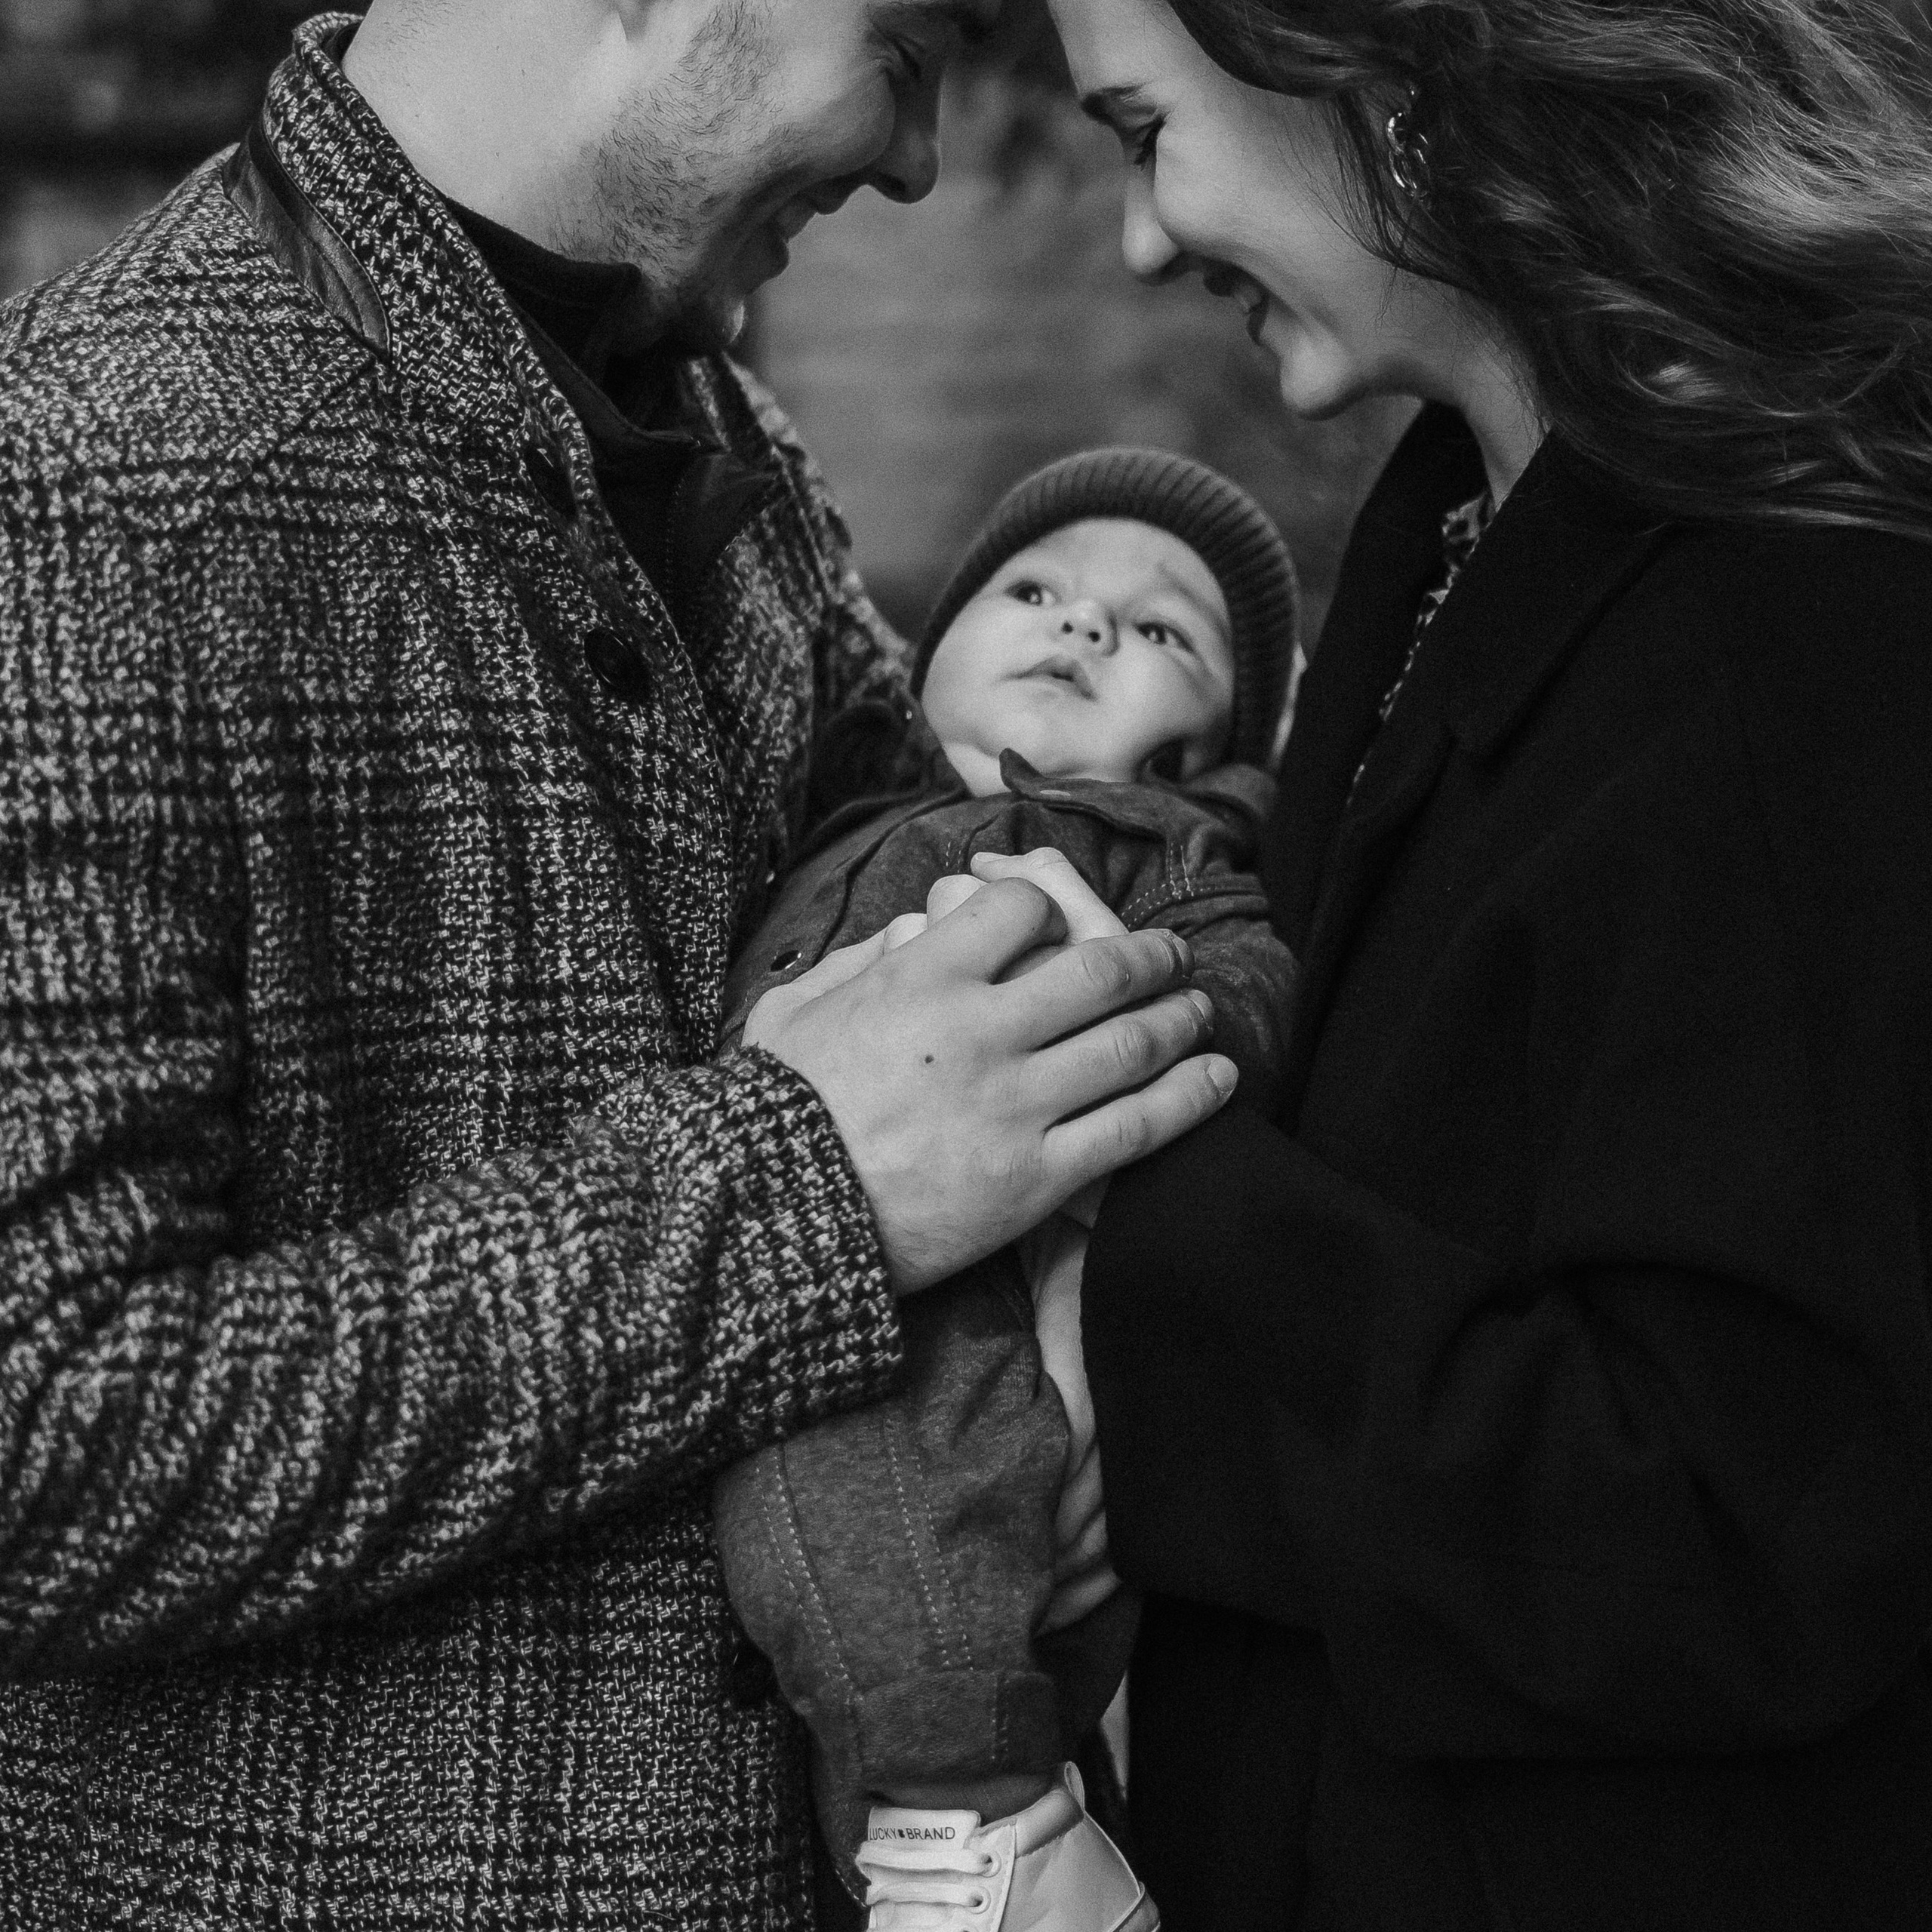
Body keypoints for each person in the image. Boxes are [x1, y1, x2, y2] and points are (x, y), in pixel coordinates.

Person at [0, 5, 1244, 1927]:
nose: (918, 164)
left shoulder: (719, 426)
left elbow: (962, 1007)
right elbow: (46, 1442)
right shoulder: (75, 485)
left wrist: (1096, 1356)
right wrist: (796, 1190)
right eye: (904, 54)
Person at [999, 0, 1931, 1926]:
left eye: (1146, 132)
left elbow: (1744, 1518)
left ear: (1383, 82)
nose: (1142, 241)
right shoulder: (1458, 512)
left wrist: (1113, 1164)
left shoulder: (1791, 624)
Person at [710, 448, 1302, 1930]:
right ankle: (1009, 1852)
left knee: (857, 1522)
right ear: (930, 663)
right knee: (849, 1594)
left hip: (985, 1321)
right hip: (834, 1285)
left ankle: (989, 1821)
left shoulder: (1152, 845)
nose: (1085, 625)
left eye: (1163, 628)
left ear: (1205, 746)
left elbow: (1252, 979)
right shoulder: (835, 819)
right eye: (1033, 588)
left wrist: (1158, 1003)